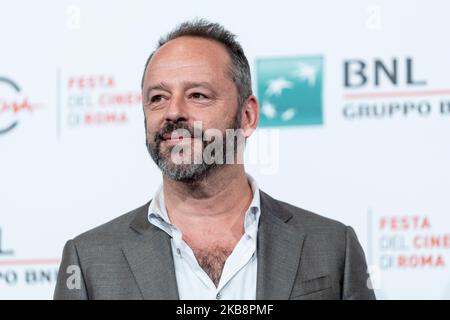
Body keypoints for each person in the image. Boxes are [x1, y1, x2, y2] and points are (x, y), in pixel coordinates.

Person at [54, 19, 375, 300]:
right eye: (158, 98)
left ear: (247, 116)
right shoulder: (89, 261)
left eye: (198, 95)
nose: (174, 111)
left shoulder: (333, 248)